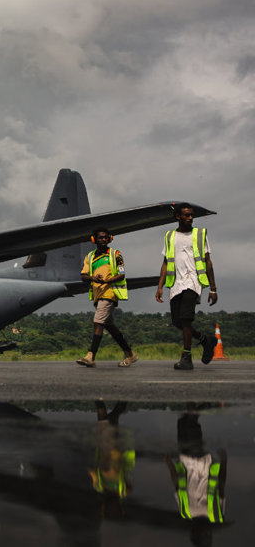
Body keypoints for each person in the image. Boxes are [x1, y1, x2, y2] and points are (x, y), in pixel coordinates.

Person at [155, 203, 218, 370]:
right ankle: (206, 340)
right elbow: (165, 262)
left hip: (193, 281)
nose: (190, 218)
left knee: (185, 318)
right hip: (176, 283)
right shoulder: (169, 236)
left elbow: (207, 261)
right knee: (177, 321)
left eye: (192, 215)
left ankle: (186, 358)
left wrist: (213, 288)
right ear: (178, 217)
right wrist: (160, 286)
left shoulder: (199, 234)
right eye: (187, 215)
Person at [165, 404, 227, 545]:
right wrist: (224, 462)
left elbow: (177, 487)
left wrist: (170, 465)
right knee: (191, 422)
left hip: (185, 460)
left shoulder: (185, 512)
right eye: (209, 536)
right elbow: (222, 485)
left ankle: (207, 404)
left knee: (183, 422)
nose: (208, 533)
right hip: (201, 463)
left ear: (195, 534)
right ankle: (193, 396)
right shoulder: (216, 515)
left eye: (204, 536)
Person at [76, 227, 138, 368]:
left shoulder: (115, 254)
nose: (103, 240)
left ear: (109, 239)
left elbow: (122, 273)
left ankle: (90, 355)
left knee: (98, 322)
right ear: (94, 240)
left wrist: (108, 280)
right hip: (97, 294)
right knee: (110, 326)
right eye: (100, 238)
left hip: (110, 293)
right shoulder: (90, 257)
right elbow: (83, 276)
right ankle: (130, 354)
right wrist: (93, 278)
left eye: (105, 237)